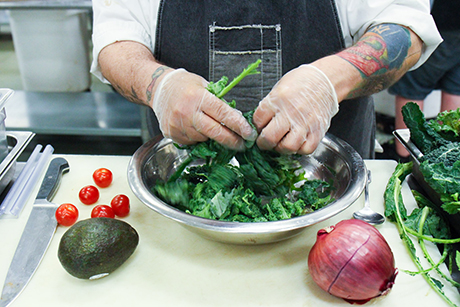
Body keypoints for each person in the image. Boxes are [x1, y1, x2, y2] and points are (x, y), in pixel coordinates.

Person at [90, 0, 441, 159]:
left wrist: (326, 82)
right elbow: (115, 42)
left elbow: (404, 29)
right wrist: (161, 87)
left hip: (326, 171)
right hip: (184, 171)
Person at [389, 0, 460, 158]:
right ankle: (446, 156)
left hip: (439, 22)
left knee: (412, 87)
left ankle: (407, 158)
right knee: (455, 89)